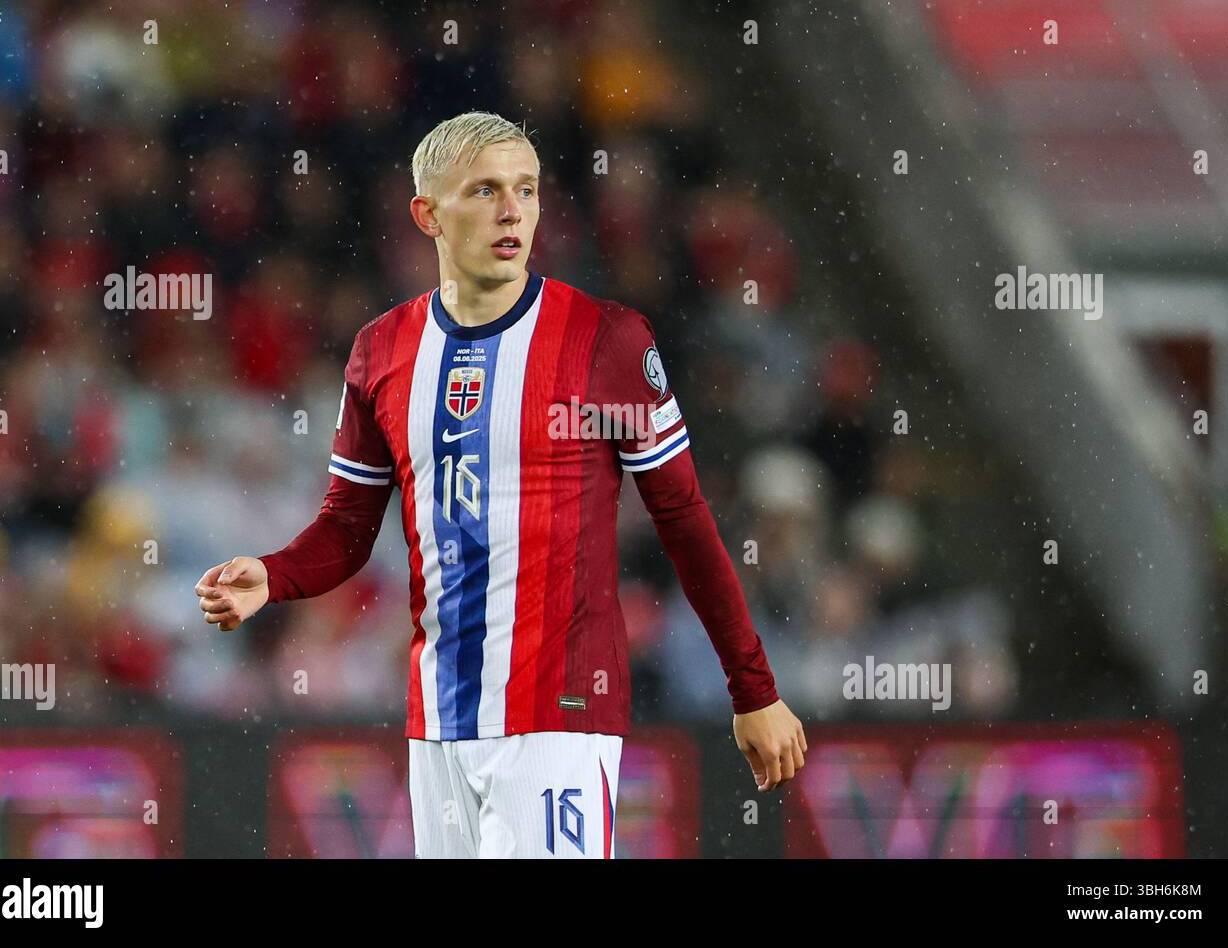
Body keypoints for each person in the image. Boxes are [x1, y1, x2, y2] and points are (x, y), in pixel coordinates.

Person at [194, 111, 806, 858]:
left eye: (526, 189)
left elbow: (683, 518)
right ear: (428, 213)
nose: (513, 210)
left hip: (562, 710)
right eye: (484, 191)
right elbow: (349, 528)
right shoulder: (382, 352)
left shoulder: (604, 342)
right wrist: (275, 575)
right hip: (441, 721)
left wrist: (753, 689)